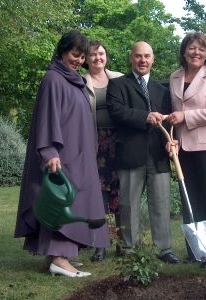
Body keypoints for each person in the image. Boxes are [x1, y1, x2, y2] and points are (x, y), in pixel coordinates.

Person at [14, 30, 109, 278]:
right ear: (62, 51)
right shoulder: (53, 79)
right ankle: (58, 258)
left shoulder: (74, 79)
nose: (78, 60)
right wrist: (50, 152)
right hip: (62, 155)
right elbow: (47, 118)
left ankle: (60, 257)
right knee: (63, 202)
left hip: (79, 154)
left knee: (73, 202)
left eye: (81, 57)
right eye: (73, 55)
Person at [106, 41, 180, 264]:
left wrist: (172, 141)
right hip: (130, 153)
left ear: (153, 59)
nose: (143, 60)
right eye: (138, 56)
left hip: (158, 155)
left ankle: (164, 249)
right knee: (129, 204)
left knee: (161, 203)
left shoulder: (162, 89)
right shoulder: (118, 85)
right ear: (131, 58)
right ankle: (129, 248)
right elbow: (116, 111)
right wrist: (144, 116)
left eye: (147, 56)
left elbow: (169, 120)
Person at [167, 32, 206, 266]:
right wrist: (172, 138)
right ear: (184, 51)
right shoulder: (174, 76)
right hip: (182, 148)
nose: (196, 53)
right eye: (192, 48)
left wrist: (186, 116)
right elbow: (172, 113)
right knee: (190, 200)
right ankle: (197, 252)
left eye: (201, 49)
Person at [83, 41, 123, 262]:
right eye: (92, 54)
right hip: (94, 144)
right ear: (86, 59)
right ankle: (100, 244)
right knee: (99, 196)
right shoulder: (81, 82)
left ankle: (121, 243)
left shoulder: (118, 78)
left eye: (101, 53)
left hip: (119, 144)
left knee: (120, 193)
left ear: (106, 55)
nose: (97, 57)